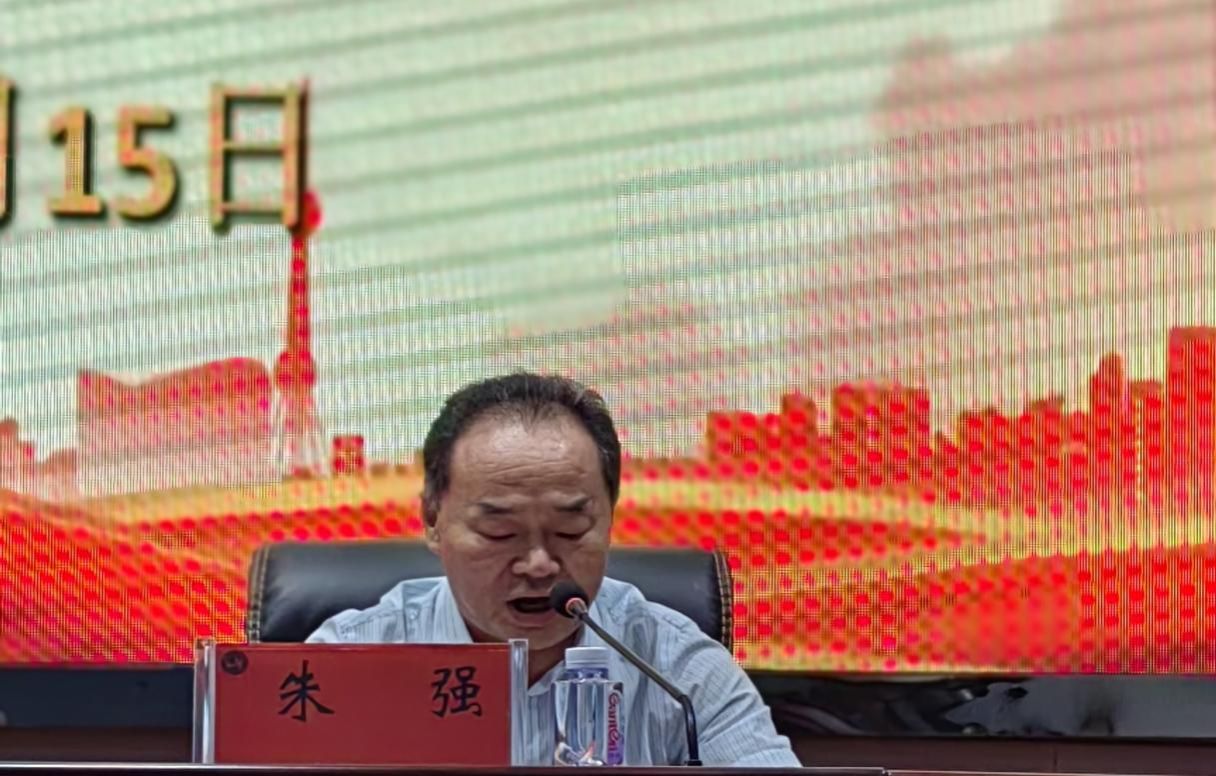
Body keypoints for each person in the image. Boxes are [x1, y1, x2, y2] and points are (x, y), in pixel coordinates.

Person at [308, 371, 800, 767]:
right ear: (433, 521)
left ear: (609, 520)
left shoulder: (678, 670)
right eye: (500, 533)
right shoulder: (345, 665)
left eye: (570, 530)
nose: (539, 565)